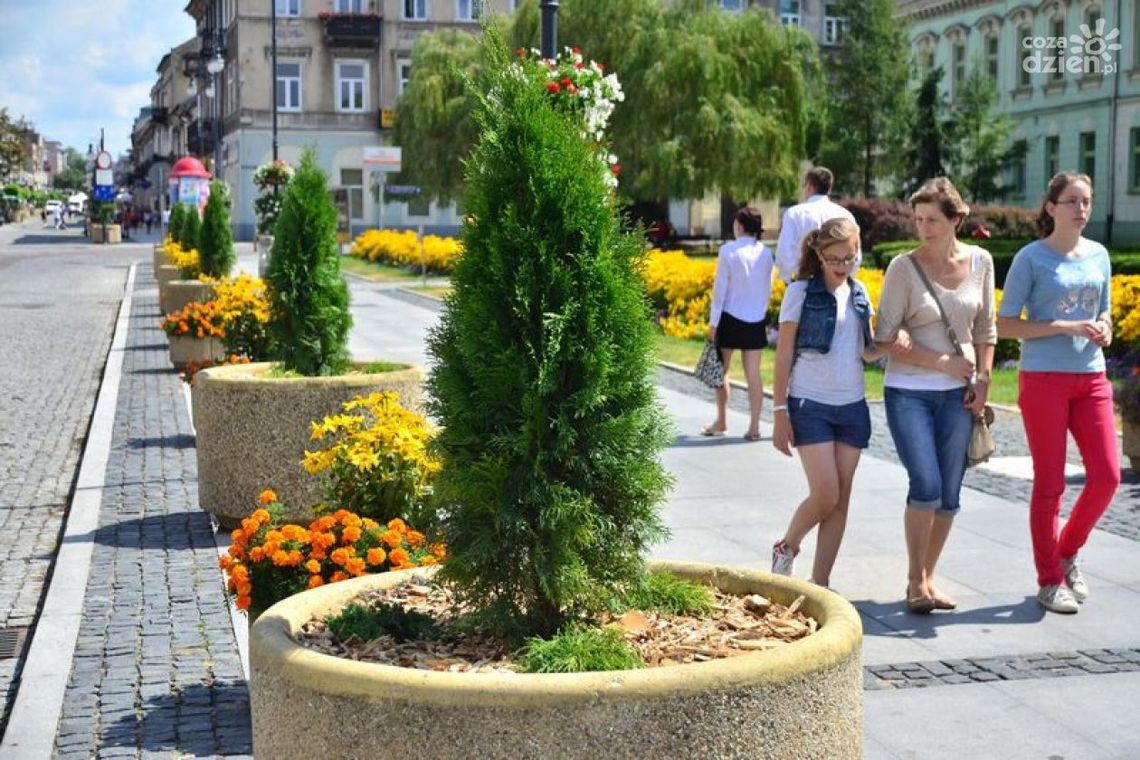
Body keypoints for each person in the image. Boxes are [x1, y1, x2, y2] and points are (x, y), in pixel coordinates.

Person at [996, 172, 1119, 615]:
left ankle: (1066, 551)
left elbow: (1101, 305)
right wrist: (1061, 327)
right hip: (1044, 378)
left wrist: (1104, 324)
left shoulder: (1100, 255)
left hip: (1092, 376)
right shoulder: (1032, 258)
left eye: (1086, 201)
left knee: (1107, 476)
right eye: (1072, 201)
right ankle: (1049, 580)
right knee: (1049, 485)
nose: (1081, 209)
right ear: (1051, 207)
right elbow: (1005, 324)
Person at [874, 177, 996, 614]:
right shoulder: (903, 268)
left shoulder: (980, 262)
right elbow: (884, 336)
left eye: (932, 220)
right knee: (924, 484)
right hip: (909, 391)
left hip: (959, 397)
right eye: (918, 219)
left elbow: (986, 329)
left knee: (949, 493)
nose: (922, 228)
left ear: (955, 219)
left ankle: (927, 578)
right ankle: (913, 579)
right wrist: (939, 362)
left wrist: (983, 379)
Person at [769, 218, 881, 587]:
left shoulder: (860, 292)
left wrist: (894, 344)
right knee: (826, 493)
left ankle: (821, 584)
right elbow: (783, 355)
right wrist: (779, 411)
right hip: (809, 404)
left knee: (841, 498)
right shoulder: (800, 292)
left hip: (852, 406)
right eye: (834, 258)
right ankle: (788, 546)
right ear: (818, 254)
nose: (842, 266)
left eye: (849, 258)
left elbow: (865, 352)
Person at [701, 205, 773, 441]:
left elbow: (719, 291)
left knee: (722, 371)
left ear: (739, 226)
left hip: (730, 317)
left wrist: (713, 324)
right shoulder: (765, 253)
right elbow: (767, 289)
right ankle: (754, 427)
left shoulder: (728, 251)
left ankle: (721, 420)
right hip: (756, 319)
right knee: (754, 374)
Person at [775, 167, 857, 284]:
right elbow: (855, 254)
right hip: (836, 286)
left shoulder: (794, 213)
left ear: (809, 186)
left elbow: (784, 253)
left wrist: (791, 280)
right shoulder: (846, 215)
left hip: (803, 283)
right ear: (829, 188)